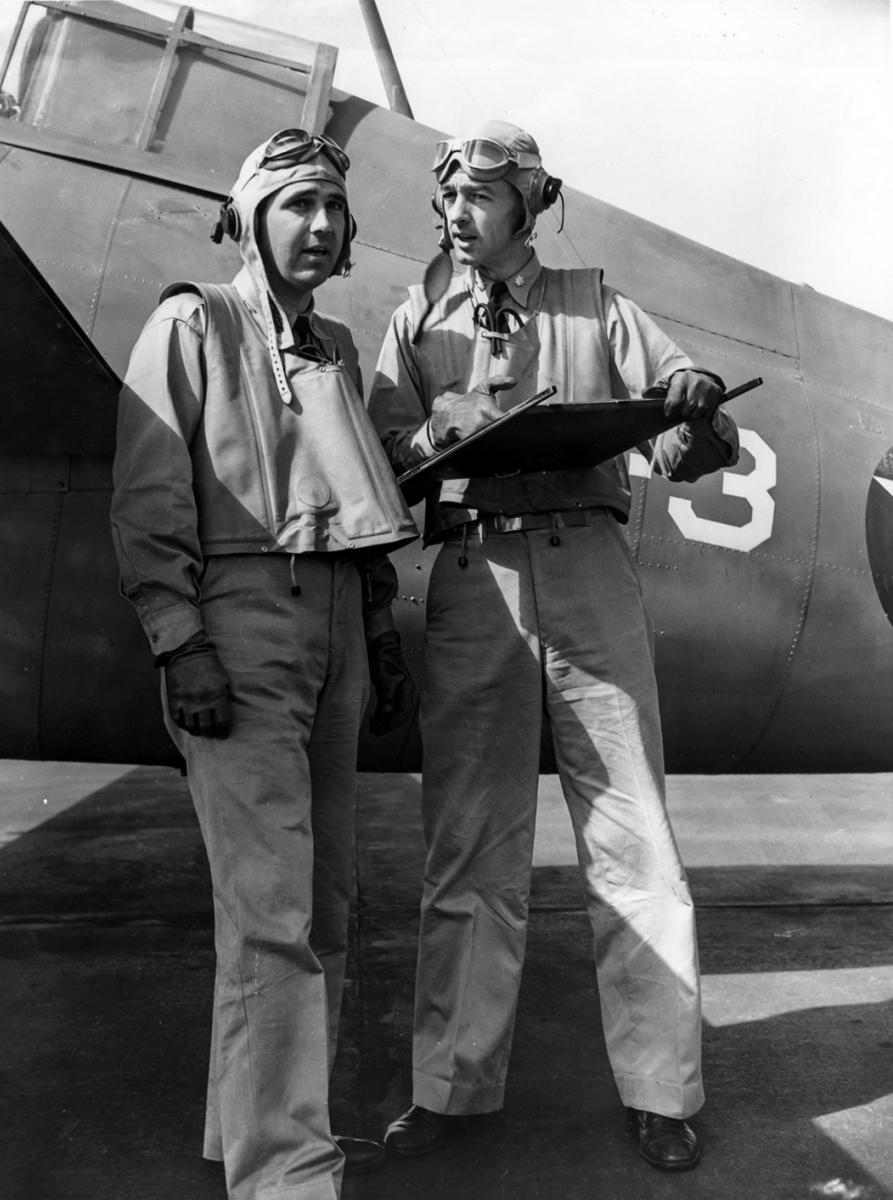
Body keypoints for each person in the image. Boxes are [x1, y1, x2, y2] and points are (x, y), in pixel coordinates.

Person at [368, 119, 741, 1173]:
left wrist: (698, 406)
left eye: (482, 197)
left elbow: (680, 434)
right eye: (449, 197)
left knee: (634, 838)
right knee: (468, 844)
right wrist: (439, 437)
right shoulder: (415, 321)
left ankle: (663, 1090)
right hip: (475, 578)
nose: (458, 213)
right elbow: (382, 452)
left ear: (529, 204)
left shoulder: (600, 304)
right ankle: (451, 1085)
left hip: (587, 566)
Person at [111, 128, 419, 1200]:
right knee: (268, 914)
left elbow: (359, 510)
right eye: (298, 205)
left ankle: (245, 1129)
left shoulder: (334, 343)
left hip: (335, 629)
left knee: (320, 908)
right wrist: (180, 642)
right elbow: (149, 505)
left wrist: (378, 638)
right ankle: (287, 1175)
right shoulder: (193, 322)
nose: (322, 226)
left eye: (334, 208)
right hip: (237, 627)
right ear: (249, 216)